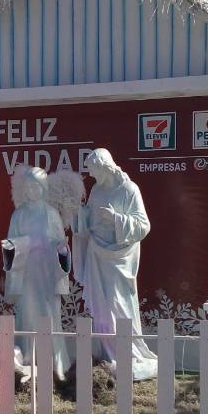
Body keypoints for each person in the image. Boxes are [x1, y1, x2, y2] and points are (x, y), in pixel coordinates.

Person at [73, 148, 157, 381]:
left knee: (118, 303)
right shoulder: (97, 190)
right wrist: (80, 214)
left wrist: (116, 219)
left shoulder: (129, 190)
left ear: (104, 166)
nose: (90, 174)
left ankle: (128, 353)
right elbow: (89, 221)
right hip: (97, 256)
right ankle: (107, 354)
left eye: (92, 169)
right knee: (101, 306)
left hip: (119, 259)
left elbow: (143, 226)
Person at [3, 167, 71, 379]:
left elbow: (60, 243)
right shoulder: (19, 214)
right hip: (26, 273)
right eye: (29, 187)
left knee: (49, 315)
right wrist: (26, 244)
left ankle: (55, 363)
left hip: (47, 273)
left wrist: (60, 249)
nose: (32, 190)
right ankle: (30, 362)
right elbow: (9, 246)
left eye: (36, 186)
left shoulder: (50, 214)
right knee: (28, 315)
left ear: (43, 189)